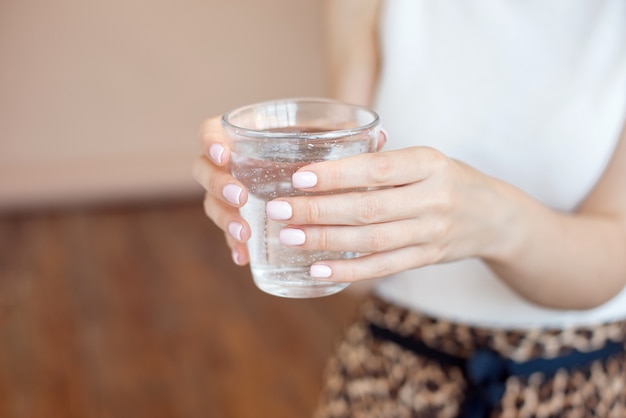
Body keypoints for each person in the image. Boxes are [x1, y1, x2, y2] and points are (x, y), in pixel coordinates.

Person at [193, 0, 626, 416]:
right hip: (393, 370)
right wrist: (284, 200)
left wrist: (493, 220)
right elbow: (355, 270)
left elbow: (611, 260)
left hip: (575, 376)